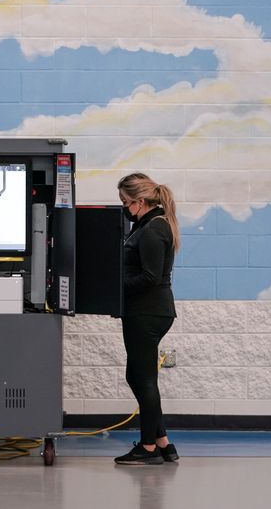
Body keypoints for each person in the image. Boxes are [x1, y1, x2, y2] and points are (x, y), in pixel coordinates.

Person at [114, 172, 180, 465]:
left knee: (144, 379)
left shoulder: (154, 229)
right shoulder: (149, 224)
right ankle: (164, 442)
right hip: (147, 310)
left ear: (141, 202)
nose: (125, 209)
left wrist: (113, 285)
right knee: (139, 376)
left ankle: (148, 447)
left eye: (126, 203)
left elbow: (150, 278)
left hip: (148, 310)